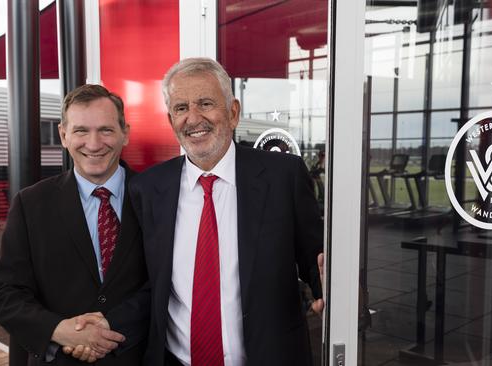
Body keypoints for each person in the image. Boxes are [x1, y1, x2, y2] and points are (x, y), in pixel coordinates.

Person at [76, 57, 324, 366]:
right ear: (171, 120)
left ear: (233, 113)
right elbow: (147, 285)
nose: (193, 119)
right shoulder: (149, 189)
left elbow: (315, 258)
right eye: (181, 108)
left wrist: (331, 289)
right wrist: (107, 323)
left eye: (205, 103)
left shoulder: (282, 176)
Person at [0, 84, 148, 365]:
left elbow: (167, 284)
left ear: (126, 134)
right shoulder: (31, 204)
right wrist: (59, 330)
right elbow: (4, 294)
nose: (94, 143)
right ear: (63, 135)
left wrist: (106, 328)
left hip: (136, 356)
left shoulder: (155, 197)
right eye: (81, 130)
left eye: (106, 130)